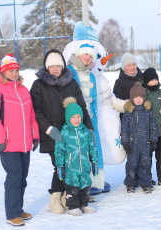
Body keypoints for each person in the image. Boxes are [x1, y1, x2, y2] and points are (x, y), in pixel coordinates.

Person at [30, 49, 93, 214]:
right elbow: (36, 111)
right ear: (47, 67)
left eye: (58, 65)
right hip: (52, 133)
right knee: (59, 165)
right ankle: (55, 199)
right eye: (52, 66)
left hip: (71, 133)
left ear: (63, 66)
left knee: (72, 165)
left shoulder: (71, 83)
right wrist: (49, 129)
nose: (55, 69)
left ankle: (68, 196)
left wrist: (89, 126)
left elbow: (81, 106)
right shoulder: (39, 85)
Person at [0, 54, 39, 226]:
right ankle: (12, 213)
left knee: (22, 177)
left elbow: (31, 115)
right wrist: (0, 138)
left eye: (16, 70)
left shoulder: (23, 89)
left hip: (24, 143)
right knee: (14, 177)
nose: (14, 73)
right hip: (7, 143)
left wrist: (35, 135)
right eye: (11, 71)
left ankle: (18, 208)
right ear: (3, 71)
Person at [67, 44, 105, 193]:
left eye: (90, 56)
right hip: (75, 118)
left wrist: (93, 117)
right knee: (78, 152)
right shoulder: (69, 72)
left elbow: (93, 99)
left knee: (93, 148)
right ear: (78, 55)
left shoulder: (92, 76)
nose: (88, 58)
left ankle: (95, 182)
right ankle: (78, 186)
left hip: (90, 118)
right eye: (85, 55)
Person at [54, 97, 99, 216]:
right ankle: (72, 206)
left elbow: (92, 147)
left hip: (84, 166)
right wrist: (60, 166)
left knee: (85, 185)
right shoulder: (64, 133)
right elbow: (59, 151)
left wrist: (95, 162)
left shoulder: (86, 132)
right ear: (68, 118)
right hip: (71, 167)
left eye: (78, 116)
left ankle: (84, 204)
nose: (76, 119)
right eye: (73, 117)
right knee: (73, 186)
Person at [121, 82, 158, 193]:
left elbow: (153, 127)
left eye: (140, 97)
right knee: (132, 164)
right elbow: (124, 129)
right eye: (136, 97)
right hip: (132, 144)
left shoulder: (148, 112)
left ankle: (145, 183)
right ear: (132, 98)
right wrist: (125, 142)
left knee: (145, 164)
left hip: (145, 144)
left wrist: (153, 140)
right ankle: (131, 183)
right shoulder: (128, 113)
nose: (138, 99)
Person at [113, 52, 143, 120]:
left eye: (133, 64)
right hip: (128, 118)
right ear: (124, 68)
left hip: (144, 117)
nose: (132, 67)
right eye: (128, 65)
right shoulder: (119, 82)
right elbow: (117, 101)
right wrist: (129, 106)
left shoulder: (143, 78)